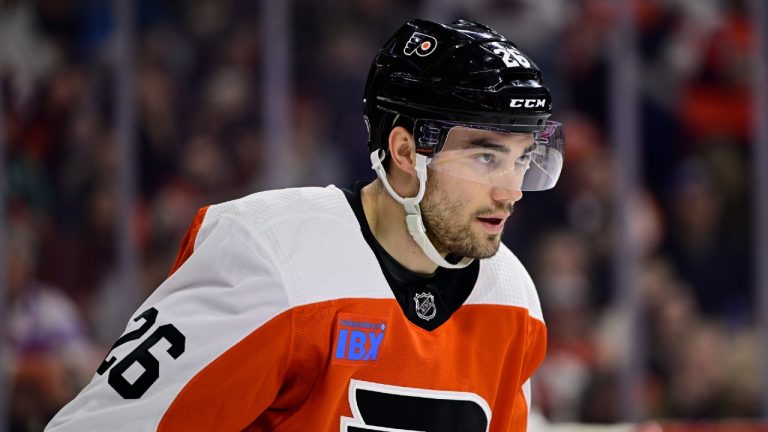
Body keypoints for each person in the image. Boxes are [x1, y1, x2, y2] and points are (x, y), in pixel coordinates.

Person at [45, 18, 565, 431]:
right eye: (486, 157)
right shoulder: (273, 258)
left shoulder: (509, 296)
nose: (512, 189)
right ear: (406, 150)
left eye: (522, 159)